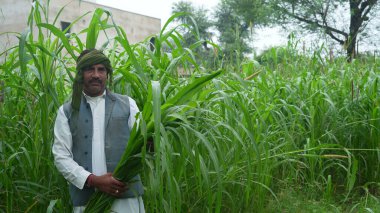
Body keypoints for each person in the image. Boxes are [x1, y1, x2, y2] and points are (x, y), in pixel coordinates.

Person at [52, 49, 145, 212]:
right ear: (80, 74)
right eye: (90, 69)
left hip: (126, 200)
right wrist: (93, 180)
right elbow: (61, 157)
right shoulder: (66, 112)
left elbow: (142, 143)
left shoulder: (127, 104)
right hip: (86, 203)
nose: (96, 75)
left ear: (107, 74)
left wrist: (151, 142)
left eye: (101, 69)